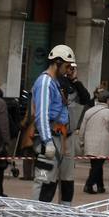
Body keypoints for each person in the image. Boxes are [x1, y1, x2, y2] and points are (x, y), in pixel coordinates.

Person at [30, 44, 75, 202]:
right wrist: (47, 141)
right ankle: (36, 215)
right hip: (50, 137)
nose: (68, 69)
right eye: (67, 65)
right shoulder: (45, 82)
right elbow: (41, 115)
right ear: (57, 62)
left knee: (58, 184)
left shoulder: (56, 82)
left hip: (59, 137)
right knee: (44, 183)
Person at [53, 59, 92, 202]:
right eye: (68, 67)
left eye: (72, 68)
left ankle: (65, 208)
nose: (70, 70)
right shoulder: (52, 82)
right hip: (54, 135)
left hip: (68, 136)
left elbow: (86, 99)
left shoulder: (73, 84)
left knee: (68, 177)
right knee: (49, 177)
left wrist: (75, 80)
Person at [79, 89, 109, 195]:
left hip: (90, 142)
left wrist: (81, 141)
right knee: (98, 165)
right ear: (107, 100)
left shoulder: (89, 111)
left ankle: (100, 186)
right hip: (102, 142)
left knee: (96, 165)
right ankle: (89, 184)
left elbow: (82, 128)